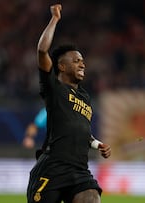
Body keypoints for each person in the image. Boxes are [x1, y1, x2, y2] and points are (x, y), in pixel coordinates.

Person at [26, 4, 111, 203]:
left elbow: (80, 130)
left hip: (79, 170)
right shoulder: (53, 88)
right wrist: (55, 19)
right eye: (76, 60)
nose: (83, 64)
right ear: (62, 66)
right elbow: (41, 50)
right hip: (52, 168)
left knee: (92, 197)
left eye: (83, 61)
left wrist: (98, 144)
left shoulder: (85, 97)